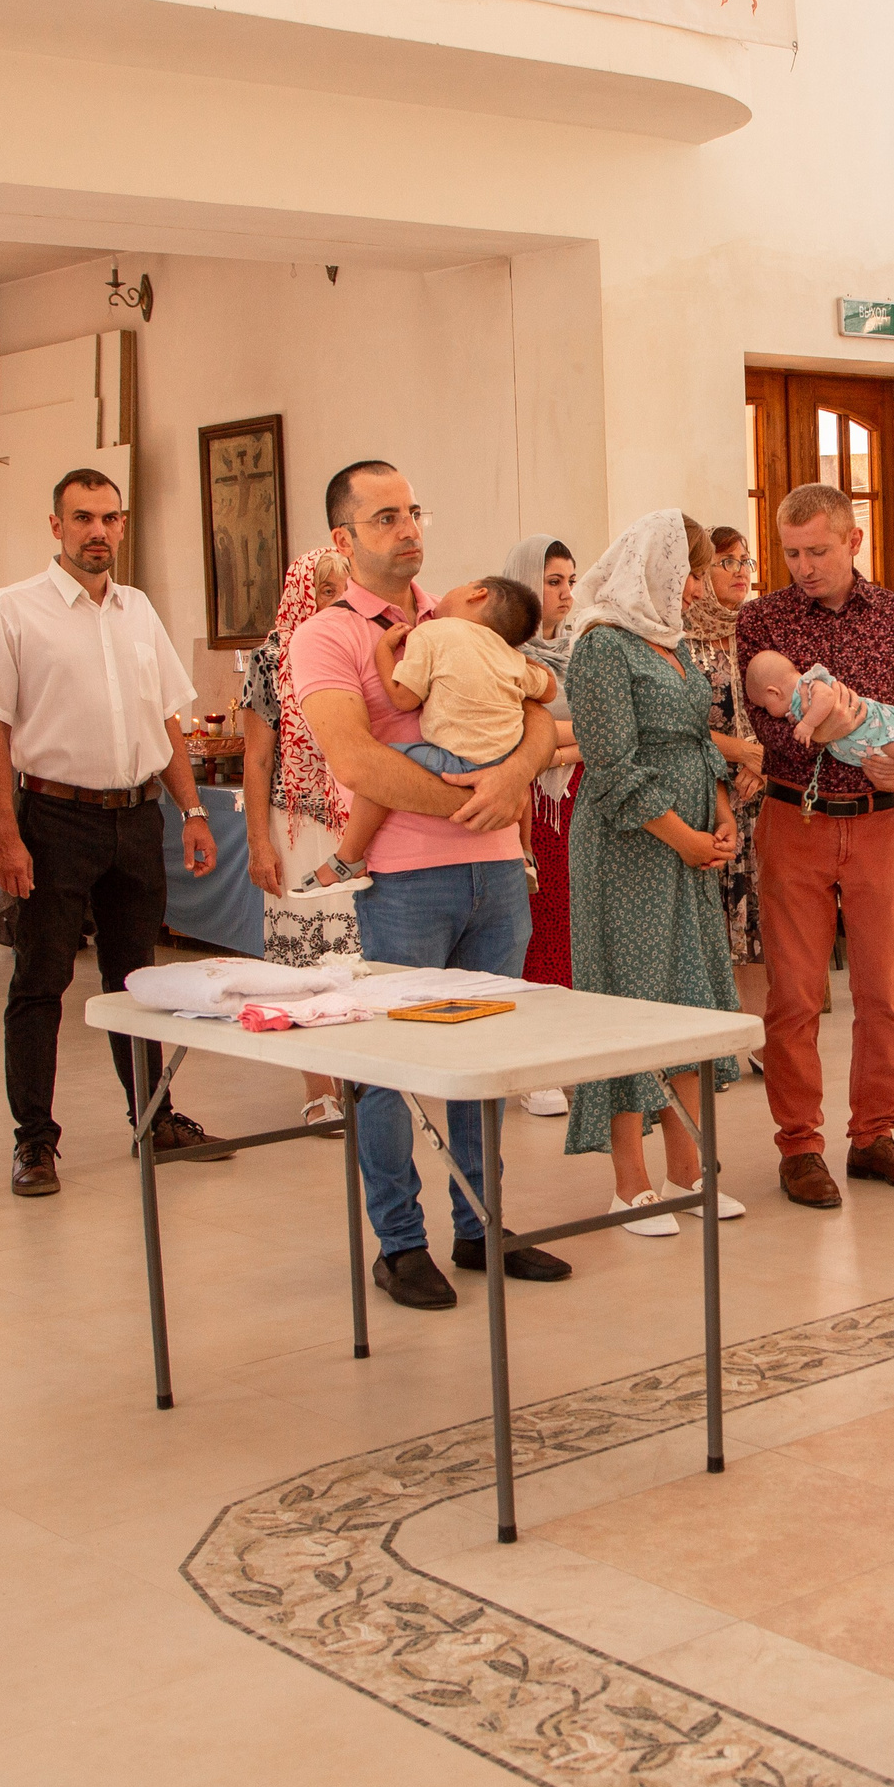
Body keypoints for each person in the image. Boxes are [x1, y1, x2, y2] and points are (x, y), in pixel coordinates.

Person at [291, 461, 567, 1307]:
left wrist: (511, 779)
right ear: (344, 540)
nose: (408, 530)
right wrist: (468, 799)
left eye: (413, 512)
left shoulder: (461, 615)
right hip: (399, 879)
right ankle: (400, 1242)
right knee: (386, 1064)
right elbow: (353, 754)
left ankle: (482, 1223)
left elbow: (537, 719)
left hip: (492, 872)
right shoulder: (328, 636)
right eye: (384, 519)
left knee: (484, 1057)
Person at [0, 468, 222, 1198]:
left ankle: (155, 1117)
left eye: (110, 519)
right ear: (56, 526)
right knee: (40, 982)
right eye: (82, 518)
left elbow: (165, 719)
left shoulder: (138, 610)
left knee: (137, 979)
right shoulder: (10, 611)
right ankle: (35, 1143)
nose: (98, 532)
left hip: (136, 819)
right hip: (52, 820)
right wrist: (6, 835)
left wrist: (193, 810)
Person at [736, 482, 894, 1208]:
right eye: (792, 552)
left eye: (818, 550)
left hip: (883, 822)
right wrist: (854, 740)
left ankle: (874, 1138)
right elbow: (771, 731)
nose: (803, 565)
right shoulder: (761, 621)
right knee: (796, 996)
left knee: (883, 993)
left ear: (852, 541)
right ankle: (799, 1147)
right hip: (794, 821)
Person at [560, 510, 748, 1233]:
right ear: (655, 567)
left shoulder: (669, 646)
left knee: (691, 1001)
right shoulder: (602, 647)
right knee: (633, 1000)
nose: (697, 584)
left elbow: (698, 742)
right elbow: (610, 768)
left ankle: (690, 1172)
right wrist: (683, 837)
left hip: (691, 845)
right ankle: (630, 1182)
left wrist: (723, 810)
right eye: (691, 569)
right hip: (632, 849)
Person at [289, 577, 551, 895]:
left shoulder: (434, 631)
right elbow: (546, 693)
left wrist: (385, 651)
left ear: (478, 593)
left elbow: (404, 698)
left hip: (458, 764)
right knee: (520, 791)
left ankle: (349, 859)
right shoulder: (506, 653)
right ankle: (526, 855)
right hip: (496, 766)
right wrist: (505, 787)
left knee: (384, 766)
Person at [240, 546, 358, 1131]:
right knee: (305, 961)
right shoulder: (271, 659)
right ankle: (319, 1088)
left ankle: (361, 1077)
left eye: (345, 591)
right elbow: (258, 762)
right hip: (297, 826)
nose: (337, 603)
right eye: (326, 591)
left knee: (358, 954)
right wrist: (258, 843)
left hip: (357, 821)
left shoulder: (360, 648)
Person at [505, 535, 580, 1120]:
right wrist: (564, 743)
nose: (563, 594)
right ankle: (533, 1063)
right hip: (528, 807)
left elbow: (602, 729)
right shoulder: (506, 654)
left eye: (569, 582)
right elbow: (510, 734)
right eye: (552, 581)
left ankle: (566, 1051)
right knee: (538, 922)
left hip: (577, 803)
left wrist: (554, 742)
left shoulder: (580, 650)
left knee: (575, 922)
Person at [683, 527, 765, 1002]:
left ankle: (753, 1035)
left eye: (745, 561)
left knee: (756, 921)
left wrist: (761, 760)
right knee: (709, 921)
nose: (740, 572)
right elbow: (678, 723)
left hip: (757, 795)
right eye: (726, 561)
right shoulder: (679, 636)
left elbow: (782, 708)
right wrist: (738, 754)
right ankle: (713, 1035)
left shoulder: (753, 632)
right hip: (704, 797)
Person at [743, 653, 894, 802]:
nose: (769, 712)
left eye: (765, 705)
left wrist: (808, 723)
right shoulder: (794, 705)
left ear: (774, 692)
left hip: (878, 731)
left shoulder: (807, 684)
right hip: (863, 751)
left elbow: (825, 698)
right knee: (883, 781)